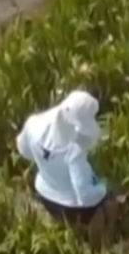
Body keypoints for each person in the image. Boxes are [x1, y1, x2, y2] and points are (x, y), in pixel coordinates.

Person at [15, 90, 110, 226]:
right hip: (69, 207)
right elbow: (84, 196)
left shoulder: (33, 123)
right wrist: (104, 188)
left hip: (44, 192)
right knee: (111, 199)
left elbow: (24, 150)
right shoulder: (74, 150)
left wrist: (50, 164)